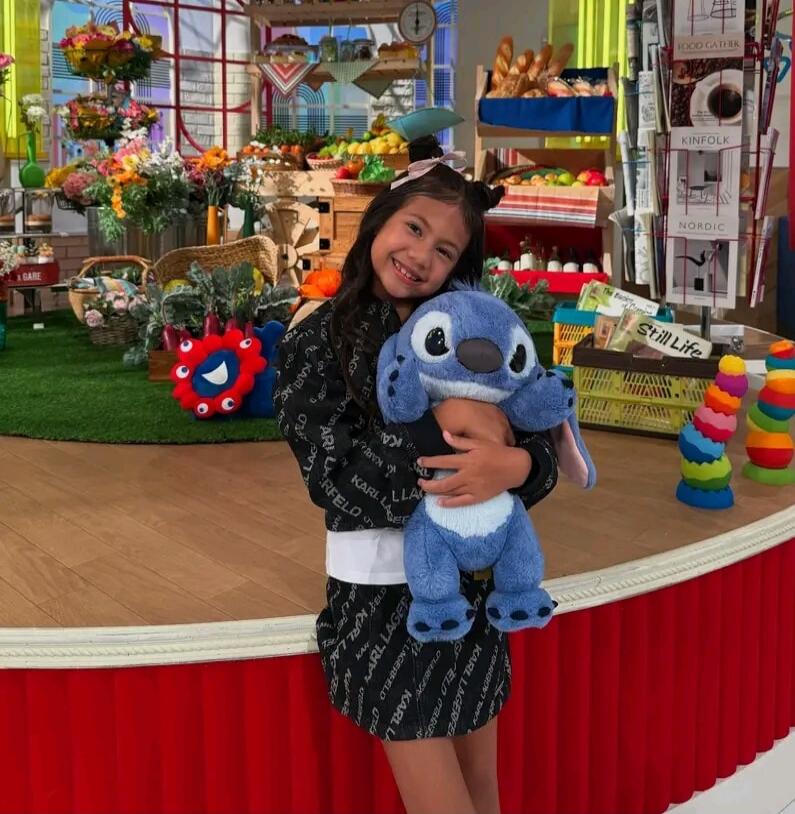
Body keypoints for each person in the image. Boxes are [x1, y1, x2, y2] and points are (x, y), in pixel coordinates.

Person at [274, 136, 559, 814]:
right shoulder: (318, 336)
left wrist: (514, 463)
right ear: (379, 220)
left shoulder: (471, 328)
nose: (420, 256)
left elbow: (538, 439)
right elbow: (334, 480)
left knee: (482, 787)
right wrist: (459, 459)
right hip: (379, 602)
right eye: (413, 228)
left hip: (476, 595)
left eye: (444, 250)